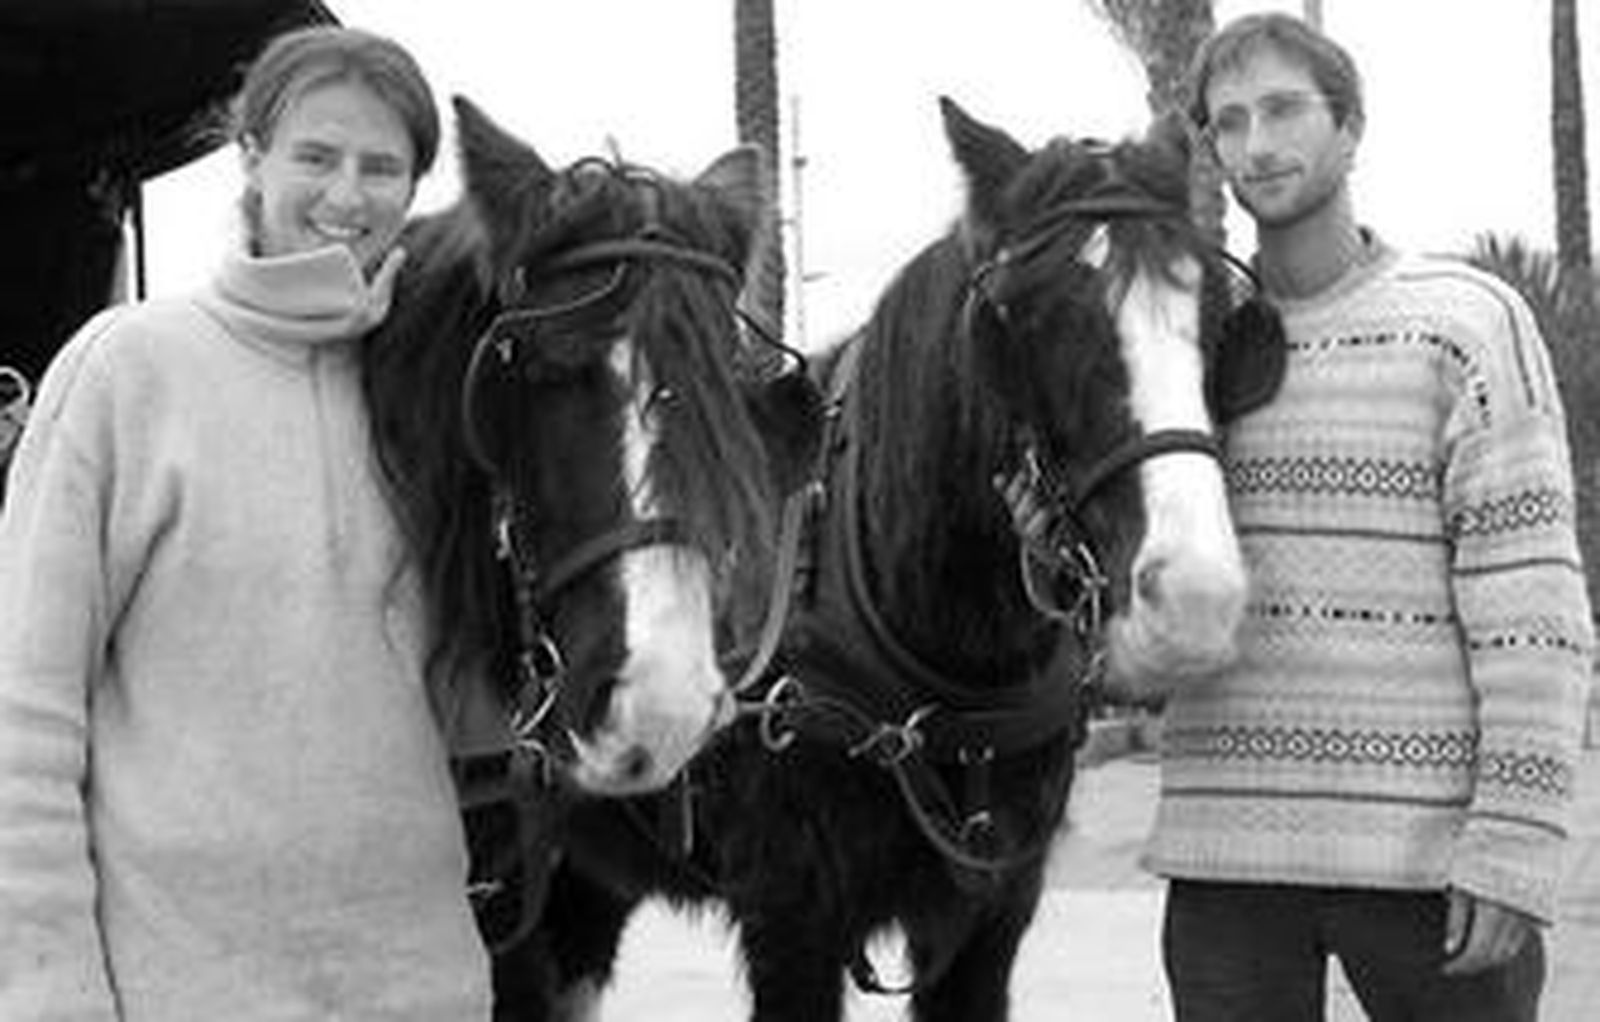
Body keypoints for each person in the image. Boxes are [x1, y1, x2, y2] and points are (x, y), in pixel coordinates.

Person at [0, 25, 495, 1019]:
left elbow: (473, 715)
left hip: (419, 987)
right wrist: (48, 983)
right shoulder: (126, 369)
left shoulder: (434, 400)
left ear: (413, 190)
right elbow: (26, 708)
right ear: (253, 156)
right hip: (178, 989)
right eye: (316, 156)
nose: (346, 195)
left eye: (381, 166)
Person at [1142, 12, 1593, 1021]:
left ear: (1349, 128)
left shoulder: (1467, 321)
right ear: (1209, 151)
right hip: (1225, 868)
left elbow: (1532, 611)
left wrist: (1514, 840)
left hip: (1429, 875)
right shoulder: (1180, 353)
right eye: (1229, 122)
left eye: (1284, 110)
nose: (1258, 143)